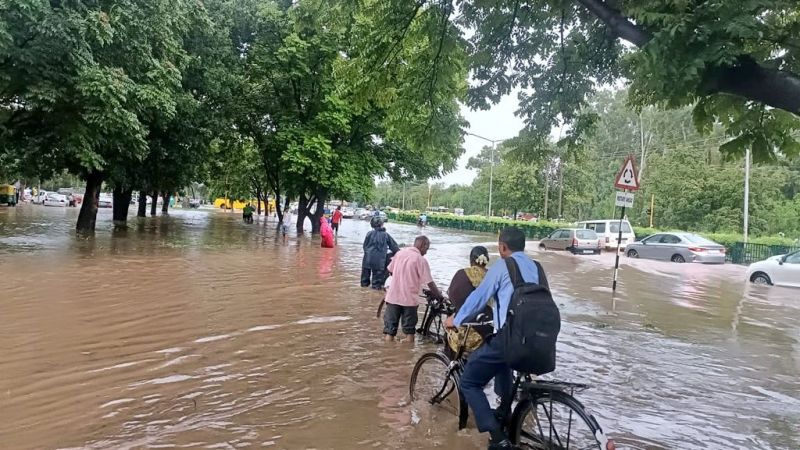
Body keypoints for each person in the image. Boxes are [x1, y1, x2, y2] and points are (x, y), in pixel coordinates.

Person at [445, 227, 548, 450]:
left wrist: (457, 319)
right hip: (541, 340)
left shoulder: (503, 265)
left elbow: (479, 297)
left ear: (502, 247)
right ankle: (506, 415)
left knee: (469, 381)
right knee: (504, 366)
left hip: (511, 337)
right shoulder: (537, 267)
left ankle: (498, 439)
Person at [383, 236, 443, 342]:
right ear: (422, 245)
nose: (426, 252)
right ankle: (408, 354)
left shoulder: (399, 254)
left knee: (390, 332)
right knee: (410, 333)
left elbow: (390, 271)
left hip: (393, 298)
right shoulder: (420, 260)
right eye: (427, 248)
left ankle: (389, 352)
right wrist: (438, 294)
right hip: (409, 300)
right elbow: (429, 282)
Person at [444, 246, 493, 357]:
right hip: (489, 332)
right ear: (486, 261)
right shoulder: (493, 276)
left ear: (471, 260)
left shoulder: (462, 274)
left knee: (448, 330)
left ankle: (452, 366)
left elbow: (453, 297)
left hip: (469, 332)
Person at [361, 217, 399, 289]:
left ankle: (363, 296)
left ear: (372, 225)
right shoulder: (385, 235)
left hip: (367, 261)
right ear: (382, 224)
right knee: (376, 284)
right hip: (379, 262)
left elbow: (364, 247)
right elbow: (395, 248)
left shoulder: (369, 234)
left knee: (364, 283)